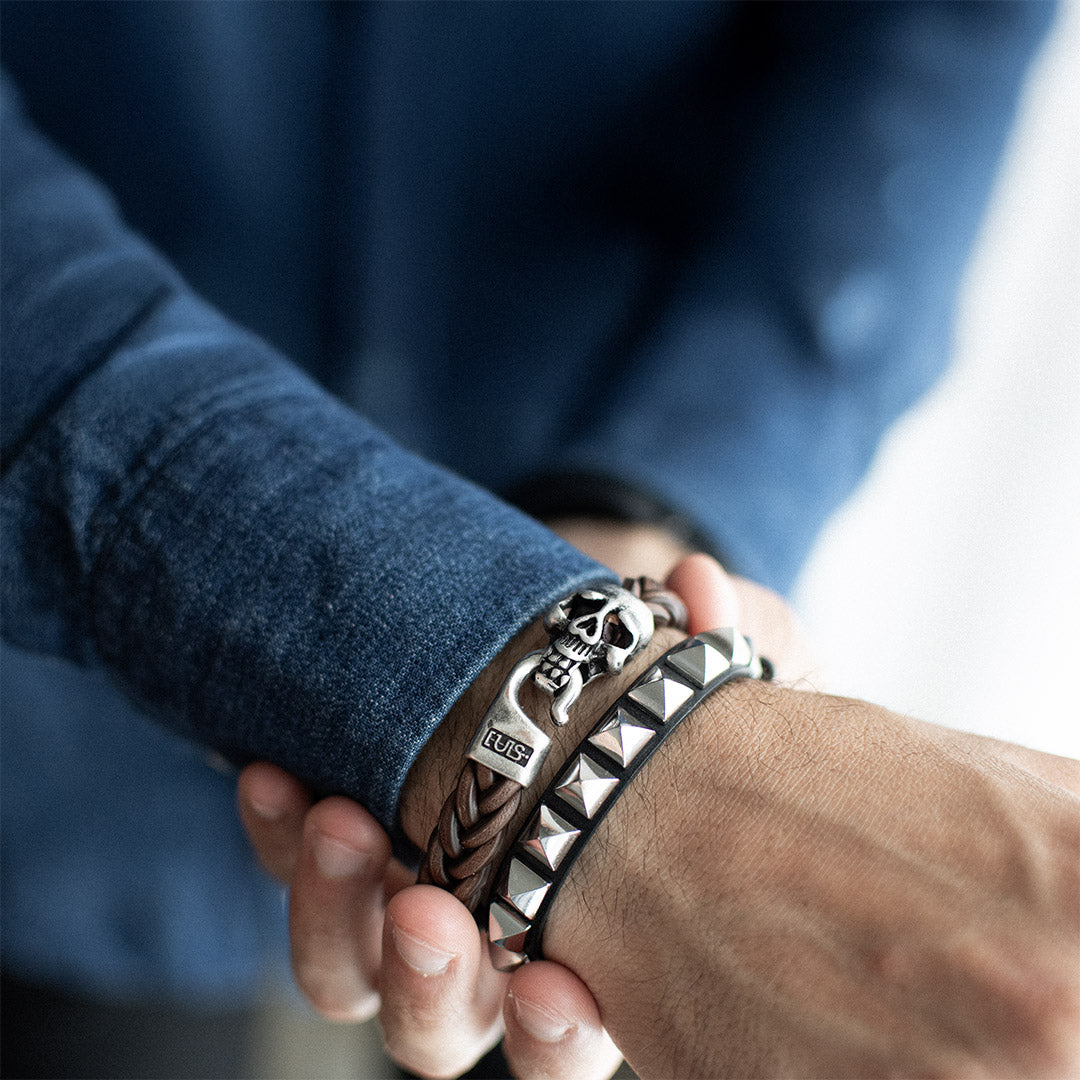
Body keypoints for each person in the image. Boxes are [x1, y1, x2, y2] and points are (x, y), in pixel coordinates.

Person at [2, 2, 1075, 1078]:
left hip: (633, 513)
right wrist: (615, 749)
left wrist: (660, 504)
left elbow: (935, 43)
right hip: (50, 754)